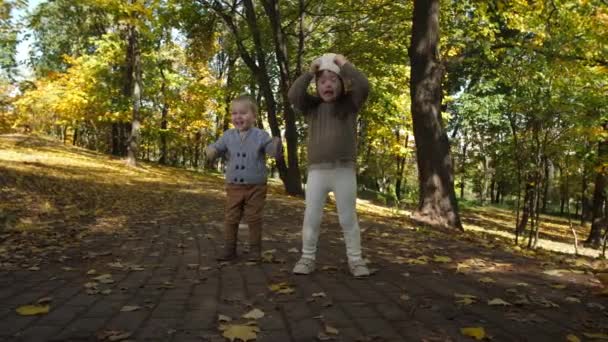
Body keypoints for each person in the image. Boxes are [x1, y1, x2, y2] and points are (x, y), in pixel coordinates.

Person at [288, 53, 370, 277]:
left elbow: (364, 86)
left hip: (344, 171)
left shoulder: (350, 105)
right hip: (317, 173)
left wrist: (345, 64)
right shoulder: (311, 108)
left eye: (333, 80)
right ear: (317, 86)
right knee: (312, 216)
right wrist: (309, 72)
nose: (328, 84)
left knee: (347, 218)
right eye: (322, 81)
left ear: (342, 84)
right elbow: (294, 95)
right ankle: (307, 258)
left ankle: (356, 260)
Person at [205, 95, 281, 261]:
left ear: (254, 116)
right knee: (231, 217)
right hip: (234, 186)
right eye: (234, 113)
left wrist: (275, 146)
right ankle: (229, 249)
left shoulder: (261, 135)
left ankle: (255, 250)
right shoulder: (227, 135)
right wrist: (211, 150)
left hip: (256, 186)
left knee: (254, 218)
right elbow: (217, 148)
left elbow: (271, 150)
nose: (238, 117)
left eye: (243, 113)